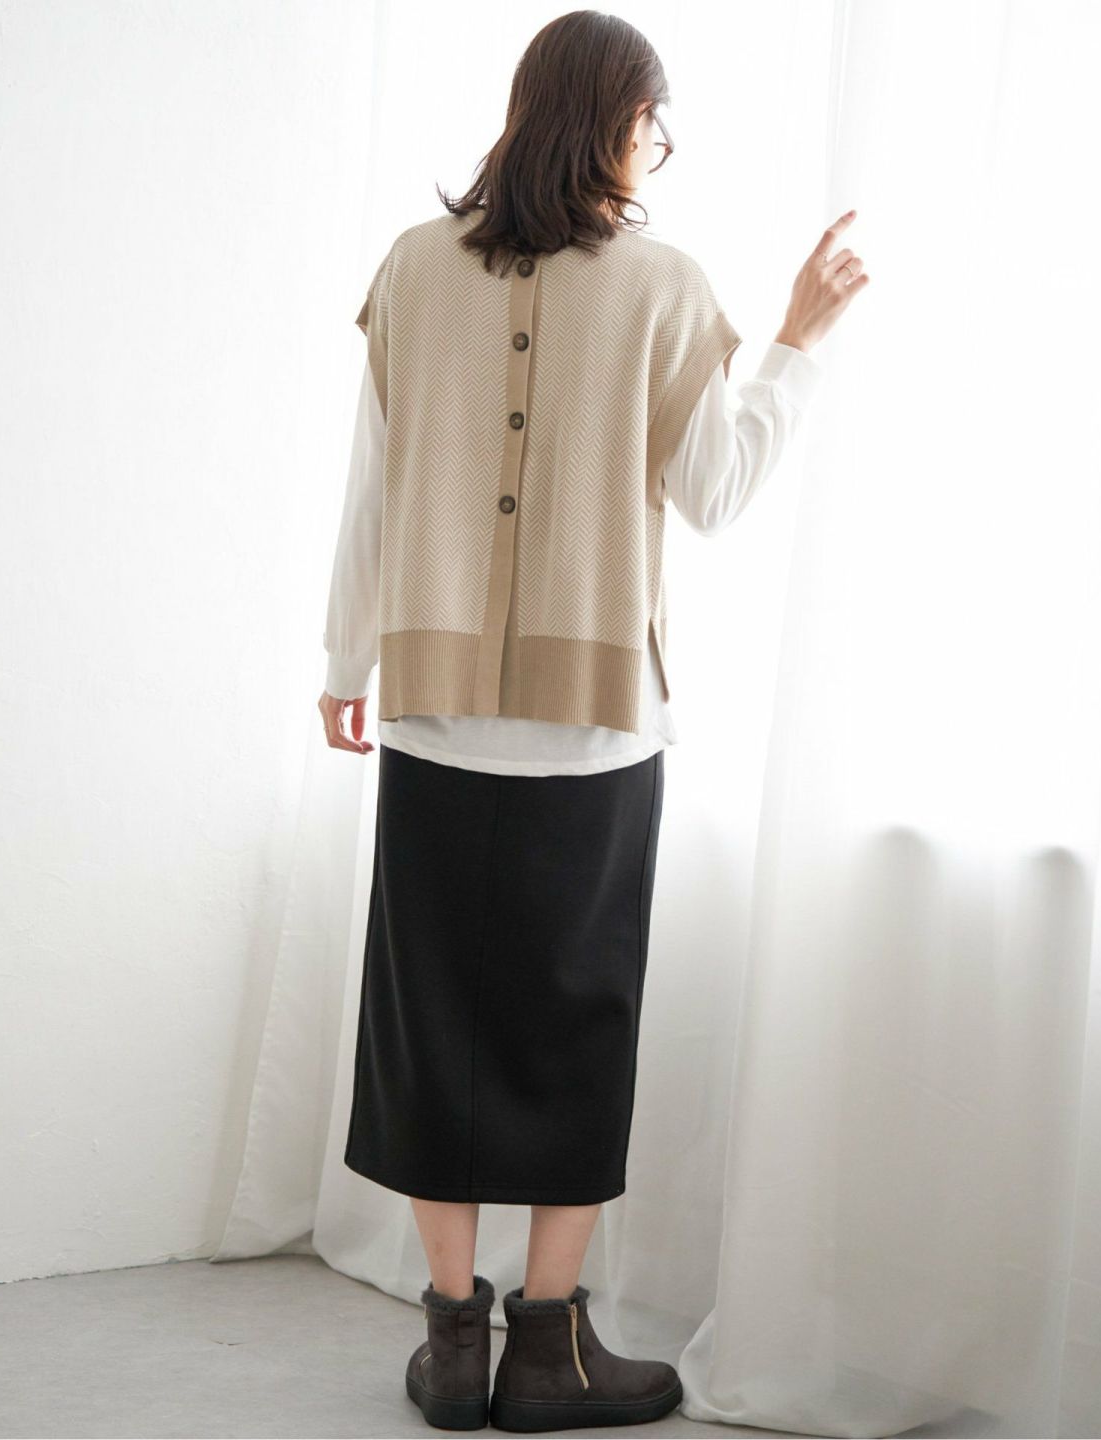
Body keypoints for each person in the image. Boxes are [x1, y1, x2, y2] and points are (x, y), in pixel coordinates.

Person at [316, 11, 868, 1432]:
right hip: (597, 731)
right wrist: (797, 345)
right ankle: (549, 1353)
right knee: (576, 1028)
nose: (653, 151)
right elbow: (718, 494)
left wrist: (343, 660)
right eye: (650, 125)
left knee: (431, 1026)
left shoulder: (412, 268)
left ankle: (454, 1348)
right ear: (614, 125)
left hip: (431, 722)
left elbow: (371, 485)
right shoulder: (667, 288)